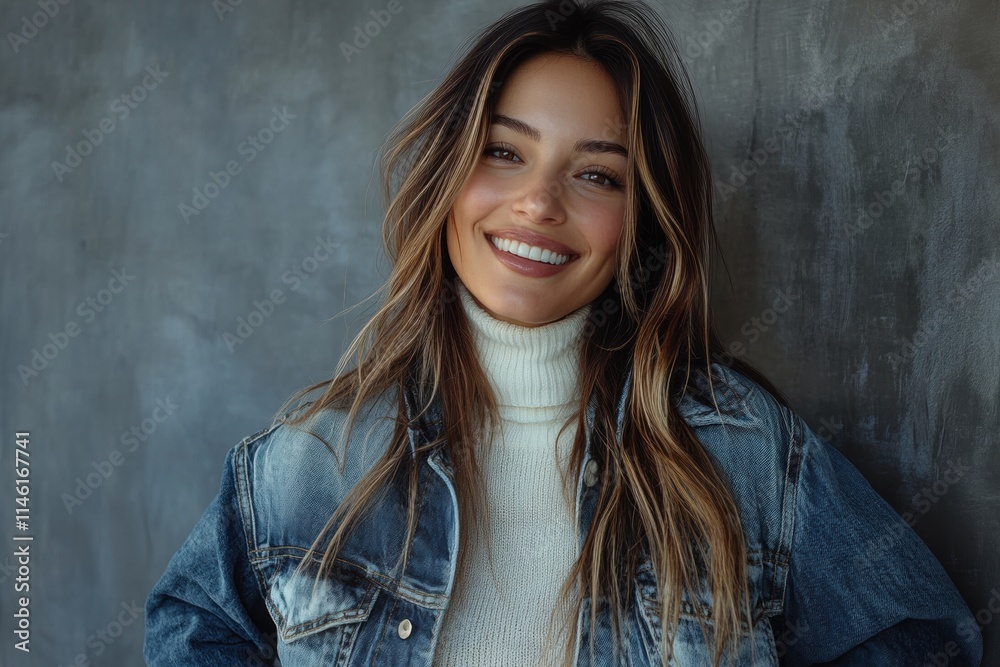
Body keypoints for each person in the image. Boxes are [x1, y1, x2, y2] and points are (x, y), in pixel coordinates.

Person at [143, 1, 985, 665]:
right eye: (504, 153)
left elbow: (925, 639)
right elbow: (194, 625)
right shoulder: (302, 469)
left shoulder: (747, 460)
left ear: (642, 223)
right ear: (448, 175)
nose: (539, 202)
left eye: (595, 174)